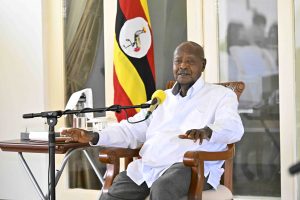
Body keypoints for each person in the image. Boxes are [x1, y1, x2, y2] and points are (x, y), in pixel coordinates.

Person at [61, 41, 244, 200]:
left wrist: (207, 131)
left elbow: (233, 127)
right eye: (178, 61)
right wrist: (93, 136)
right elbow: (130, 129)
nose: (183, 66)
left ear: (203, 65)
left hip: (191, 167)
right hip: (150, 167)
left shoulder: (221, 95)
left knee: (163, 186)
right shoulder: (161, 98)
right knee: (115, 191)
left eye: (190, 61)